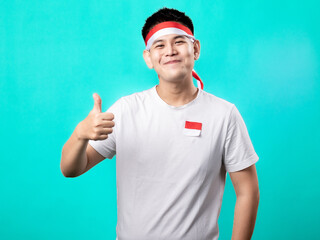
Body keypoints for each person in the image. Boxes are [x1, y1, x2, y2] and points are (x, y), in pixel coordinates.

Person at [60, 7, 260, 240]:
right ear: (148, 58)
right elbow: (71, 169)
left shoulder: (224, 115)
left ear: (195, 49)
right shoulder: (127, 110)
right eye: (160, 45)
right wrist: (80, 134)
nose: (170, 51)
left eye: (179, 41)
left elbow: (248, 191)